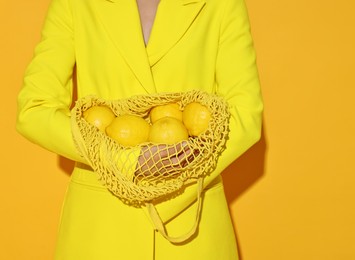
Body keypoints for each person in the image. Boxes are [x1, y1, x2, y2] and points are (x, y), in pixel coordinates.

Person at [16, 0, 263, 258]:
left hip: (192, 222)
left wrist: (177, 170)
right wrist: (125, 160)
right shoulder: (75, 4)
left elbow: (246, 115)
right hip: (100, 227)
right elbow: (34, 110)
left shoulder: (222, 5)